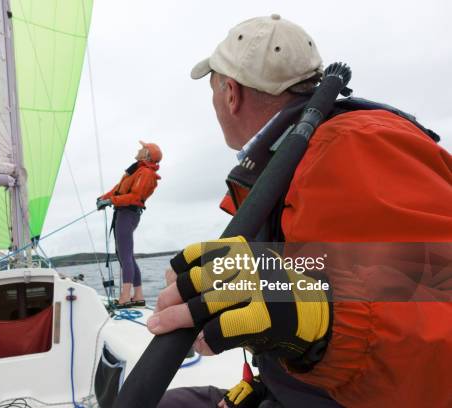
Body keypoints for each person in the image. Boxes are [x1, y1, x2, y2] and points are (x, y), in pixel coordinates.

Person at [151, 14, 452, 408]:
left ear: (230, 92)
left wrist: (326, 323)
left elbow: (438, 294)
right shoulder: (292, 161)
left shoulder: (355, 147)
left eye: (212, 89)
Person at [97, 141, 162, 308]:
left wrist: (111, 200)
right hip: (123, 213)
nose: (139, 149)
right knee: (126, 255)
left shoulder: (146, 173)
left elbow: (135, 197)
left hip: (128, 214)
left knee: (124, 255)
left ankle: (125, 296)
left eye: (142, 148)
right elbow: (118, 189)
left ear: (147, 154)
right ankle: (138, 295)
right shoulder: (137, 169)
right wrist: (104, 198)